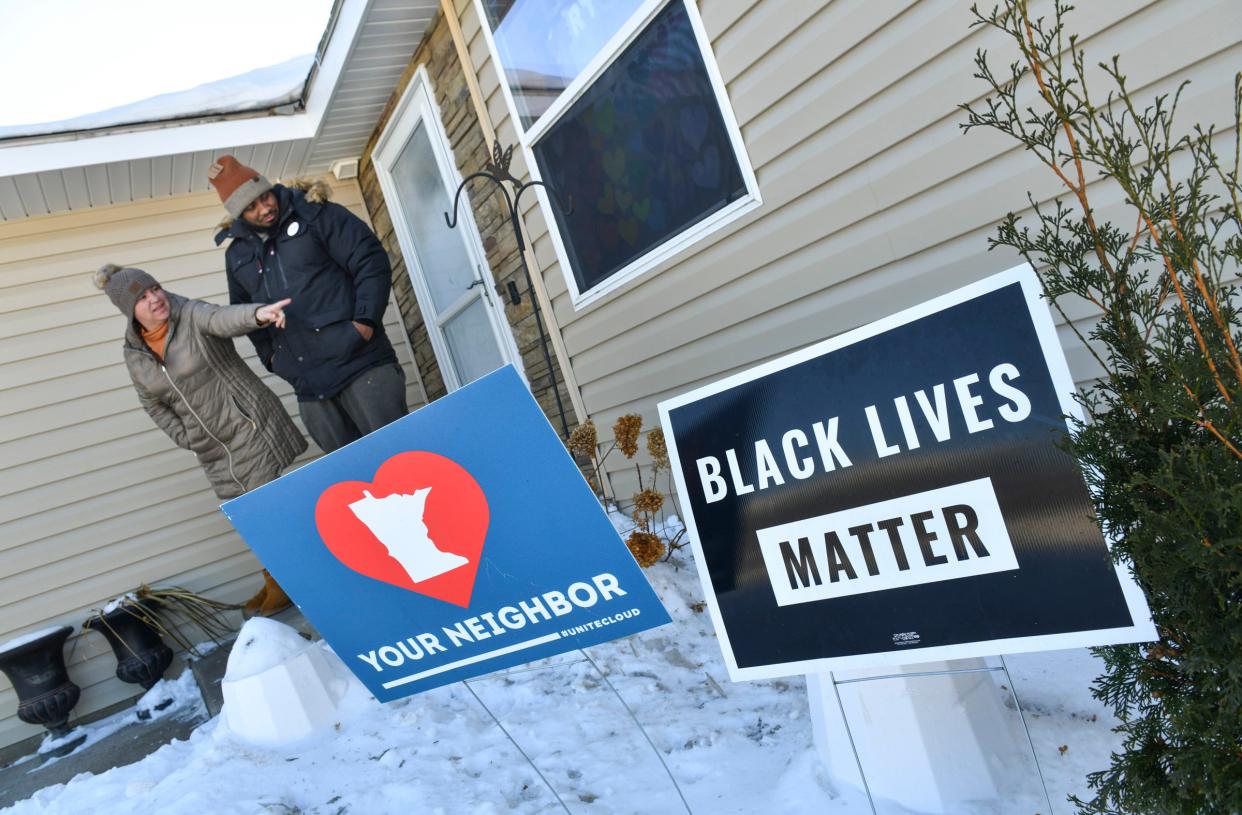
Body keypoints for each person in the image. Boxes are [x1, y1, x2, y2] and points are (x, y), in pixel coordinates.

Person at [95, 263, 306, 616]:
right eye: (143, 297)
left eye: (155, 288)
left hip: (246, 425)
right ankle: (279, 577)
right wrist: (187, 436)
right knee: (246, 517)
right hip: (211, 449)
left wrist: (258, 314)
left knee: (266, 508)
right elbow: (153, 403)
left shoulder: (190, 314)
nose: (155, 299)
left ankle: (295, 578)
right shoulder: (134, 354)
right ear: (129, 311)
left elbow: (223, 318)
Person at [208, 155, 408, 453]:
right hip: (312, 391)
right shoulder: (237, 256)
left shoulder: (315, 214)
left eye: (264, 197)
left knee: (405, 460)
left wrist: (364, 323)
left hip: (362, 366)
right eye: (251, 207)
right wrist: (274, 359)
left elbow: (370, 260)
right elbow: (246, 315)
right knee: (356, 483)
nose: (264, 208)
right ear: (238, 214)